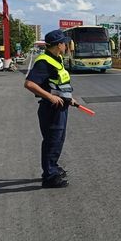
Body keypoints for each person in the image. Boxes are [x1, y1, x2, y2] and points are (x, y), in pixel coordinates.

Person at [24, 29, 76, 188]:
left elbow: (57, 83)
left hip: (61, 106)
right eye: (64, 43)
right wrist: (50, 97)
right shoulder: (44, 61)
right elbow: (29, 84)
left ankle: (53, 167)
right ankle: (49, 176)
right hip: (51, 108)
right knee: (52, 141)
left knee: (58, 139)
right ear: (58, 45)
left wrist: (68, 97)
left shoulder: (57, 58)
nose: (66, 45)